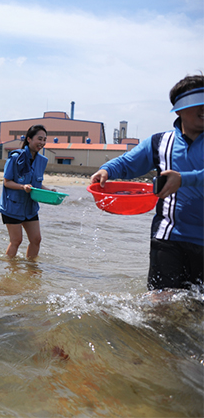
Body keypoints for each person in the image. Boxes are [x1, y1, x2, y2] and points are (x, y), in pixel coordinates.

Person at [91, 75, 203, 291]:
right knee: (160, 306)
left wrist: (184, 179)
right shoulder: (160, 142)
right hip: (168, 236)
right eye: (197, 103)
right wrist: (107, 169)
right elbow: (127, 163)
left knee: (196, 312)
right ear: (179, 109)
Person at [0, 124, 55, 259]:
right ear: (29, 139)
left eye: (44, 140)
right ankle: (10, 270)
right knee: (16, 241)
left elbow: (37, 184)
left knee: (36, 239)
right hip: (12, 207)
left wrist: (50, 191)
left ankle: (31, 269)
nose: (42, 143)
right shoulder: (15, 157)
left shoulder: (42, 161)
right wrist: (22, 187)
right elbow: (7, 182)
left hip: (30, 208)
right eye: (39, 139)